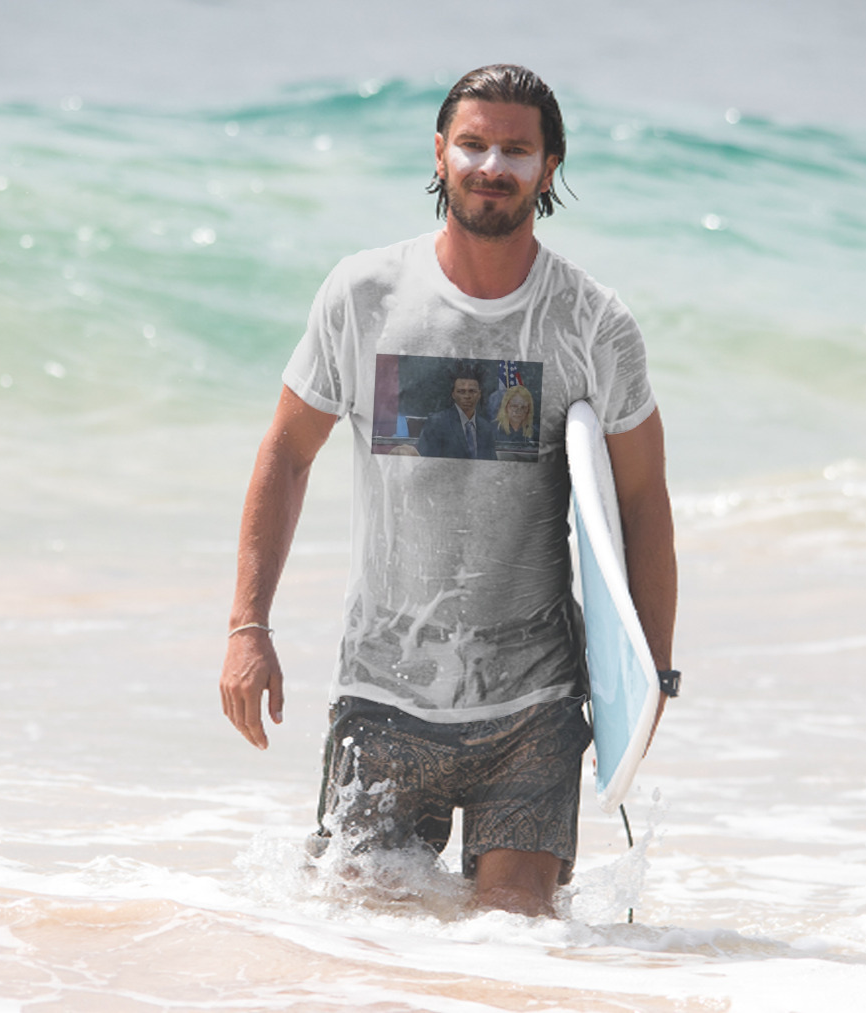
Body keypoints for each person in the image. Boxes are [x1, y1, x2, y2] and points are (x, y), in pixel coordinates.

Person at [220, 64, 678, 919]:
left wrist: (654, 677)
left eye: (516, 148)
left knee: (512, 948)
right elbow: (285, 454)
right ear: (440, 154)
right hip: (384, 699)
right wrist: (249, 626)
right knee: (363, 949)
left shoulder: (591, 322)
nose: (491, 164)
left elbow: (643, 501)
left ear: (549, 165)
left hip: (534, 705)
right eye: (472, 143)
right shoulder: (364, 296)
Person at [416, 362, 498, 459]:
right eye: (461, 391)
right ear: (453, 394)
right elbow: (426, 462)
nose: (467, 396)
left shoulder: (486, 429)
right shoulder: (437, 423)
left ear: (479, 394)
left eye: (472, 391)